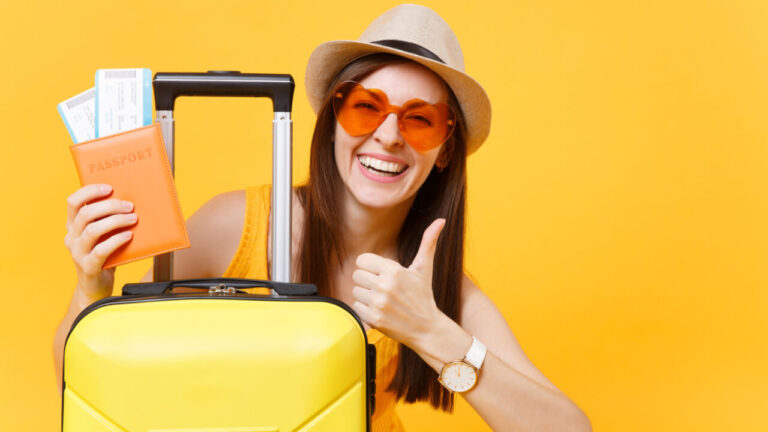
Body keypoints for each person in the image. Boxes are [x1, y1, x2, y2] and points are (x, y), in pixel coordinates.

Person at [54, 4, 591, 431]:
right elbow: (75, 387)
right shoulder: (233, 227)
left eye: (420, 120)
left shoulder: (434, 285)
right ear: (333, 118)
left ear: (445, 149)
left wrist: (432, 332)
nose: (388, 135)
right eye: (366, 107)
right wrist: (90, 287)